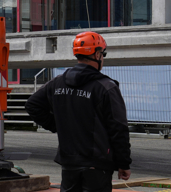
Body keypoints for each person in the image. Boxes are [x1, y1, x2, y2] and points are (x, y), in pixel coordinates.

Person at [24, 32, 132, 192]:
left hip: (69, 163)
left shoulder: (58, 83)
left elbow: (32, 105)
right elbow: (118, 128)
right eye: (103, 54)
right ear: (97, 54)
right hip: (97, 165)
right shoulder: (106, 87)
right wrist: (124, 163)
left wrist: (57, 125)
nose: (103, 58)